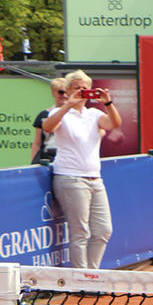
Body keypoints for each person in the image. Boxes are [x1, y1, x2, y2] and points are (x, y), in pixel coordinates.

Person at [42, 70, 122, 269]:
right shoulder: (59, 112)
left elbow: (114, 123)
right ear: (68, 90)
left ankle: (92, 274)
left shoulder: (94, 114)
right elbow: (48, 127)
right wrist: (68, 105)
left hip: (95, 178)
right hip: (70, 177)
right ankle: (82, 278)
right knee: (80, 231)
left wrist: (108, 103)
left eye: (86, 88)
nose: (82, 91)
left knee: (104, 230)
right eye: (77, 88)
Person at [30, 78, 68, 164]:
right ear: (53, 93)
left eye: (67, 92)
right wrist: (33, 163)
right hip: (47, 159)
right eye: (61, 92)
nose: (65, 95)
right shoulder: (44, 115)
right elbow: (37, 143)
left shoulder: (76, 114)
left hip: (67, 159)